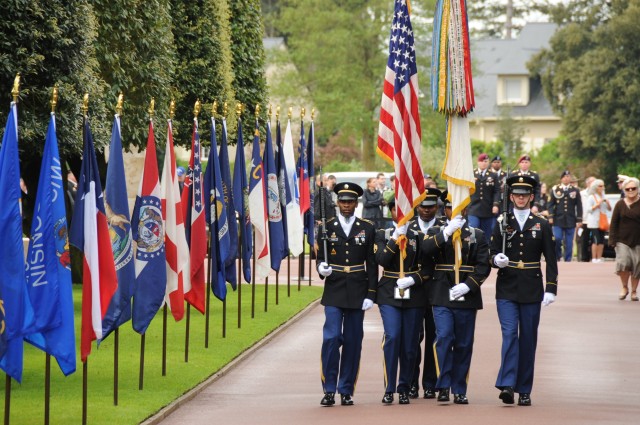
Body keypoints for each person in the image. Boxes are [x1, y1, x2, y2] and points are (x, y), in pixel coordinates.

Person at [490, 175, 558, 407]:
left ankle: (524, 389)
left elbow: (551, 259)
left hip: (531, 287)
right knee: (510, 334)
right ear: (511, 197)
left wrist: (551, 288)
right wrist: (495, 259)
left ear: (531, 197)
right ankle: (508, 384)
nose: (520, 198)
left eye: (524, 195)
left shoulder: (541, 223)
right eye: (516, 195)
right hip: (507, 286)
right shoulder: (501, 222)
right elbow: (490, 251)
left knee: (528, 338)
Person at [421, 191, 490, 405]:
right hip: (442, 292)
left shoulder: (477, 234)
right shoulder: (435, 230)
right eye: (451, 207)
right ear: (445, 209)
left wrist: (468, 285)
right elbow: (425, 250)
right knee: (443, 337)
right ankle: (443, 384)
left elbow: (483, 265)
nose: (455, 211)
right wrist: (445, 234)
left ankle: (460, 388)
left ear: (467, 209)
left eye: (460, 207)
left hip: (466, 294)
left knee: (463, 343)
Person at [316, 182, 377, 406]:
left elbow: (371, 262)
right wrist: (321, 267)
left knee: (353, 341)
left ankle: (346, 389)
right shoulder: (327, 227)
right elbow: (321, 256)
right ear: (337, 203)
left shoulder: (367, 227)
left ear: (356, 203)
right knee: (331, 338)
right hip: (334, 288)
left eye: (350, 202)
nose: (347, 205)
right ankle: (329, 388)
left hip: (358, 289)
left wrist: (372, 293)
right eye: (343, 201)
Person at [375, 199, 430, 405]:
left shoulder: (418, 237)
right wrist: (394, 238)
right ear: (391, 213)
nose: (401, 215)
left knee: (409, 344)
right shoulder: (382, 234)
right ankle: (389, 387)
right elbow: (381, 259)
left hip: (413, 293)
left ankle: (404, 387)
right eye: (396, 211)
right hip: (389, 291)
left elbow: (427, 269)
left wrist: (413, 279)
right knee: (392, 336)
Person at [407, 188, 444, 399]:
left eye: (431, 206)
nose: (426, 210)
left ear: (437, 207)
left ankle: (430, 383)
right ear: (417, 207)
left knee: (433, 338)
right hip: (413, 289)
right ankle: (411, 382)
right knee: (412, 339)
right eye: (422, 206)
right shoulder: (408, 227)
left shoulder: (445, 228)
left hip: (436, 289)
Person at [609, 177, 640, 301]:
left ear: (638, 189)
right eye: (628, 189)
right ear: (624, 190)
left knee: (637, 265)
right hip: (622, 240)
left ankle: (633, 291)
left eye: (634, 188)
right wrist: (612, 239)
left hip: (638, 240)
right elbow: (614, 222)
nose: (631, 190)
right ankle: (624, 287)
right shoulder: (620, 204)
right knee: (623, 263)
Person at [548, 170, 583, 262]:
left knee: (569, 241)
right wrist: (550, 216)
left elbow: (579, 205)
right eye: (564, 176)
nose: (566, 178)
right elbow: (550, 204)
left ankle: (568, 259)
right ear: (561, 178)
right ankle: (557, 256)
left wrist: (579, 219)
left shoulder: (575, 190)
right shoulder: (556, 189)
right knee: (557, 238)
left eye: (568, 176)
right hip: (558, 219)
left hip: (570, 219)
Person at [468, 153, 500, 243]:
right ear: (478, 162)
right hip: (473, 209)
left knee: (487, 235)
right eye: (482, 161)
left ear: (489, 162)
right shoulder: (472, 174)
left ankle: (486, 254)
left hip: (487, 209)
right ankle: (472, 253)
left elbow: (497, 191)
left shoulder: (493, 175)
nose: (484, 163)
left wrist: (496, 204)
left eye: (486, 161)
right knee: (473, 231)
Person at [585, 179, 611, 263]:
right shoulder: (592, 197)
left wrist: (607, 203)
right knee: (595, 240)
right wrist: (597, 204)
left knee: (601, 240)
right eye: (600, 186)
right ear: (596, 187)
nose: (602, 188)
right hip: (594, 222)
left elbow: (609, 209)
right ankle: (594, 258)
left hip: (602, 222)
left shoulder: (604, 196)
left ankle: (599, 257)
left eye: (603, 186)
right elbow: (588, 209)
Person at [578, 176, 596, 262]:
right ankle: (584, 258)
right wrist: (579, 219)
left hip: (595, 220)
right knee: (584, 239)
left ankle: (594, 257)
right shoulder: (582, 193)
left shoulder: (597, 194)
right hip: (585, 219)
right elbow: (579, 207)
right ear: (587, 183)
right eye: (592, 182)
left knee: (594, 239)